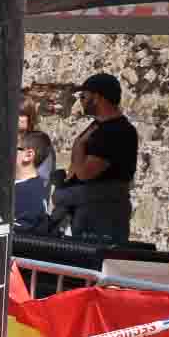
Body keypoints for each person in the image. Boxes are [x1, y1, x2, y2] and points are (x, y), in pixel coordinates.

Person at [53, 72, 138, 243]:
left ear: (97, 97)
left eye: (83, 96)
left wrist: (79, 145)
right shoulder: (97, 126)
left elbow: (84, 173)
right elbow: (75, 170)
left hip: (103, 214)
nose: (80, 101)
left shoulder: (117, 131)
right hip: (88, 209)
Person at [13, 128, 59, 234]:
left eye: (12, 147)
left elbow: (17, 237)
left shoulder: (27, 194)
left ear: (28, 155)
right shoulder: (31, 186)